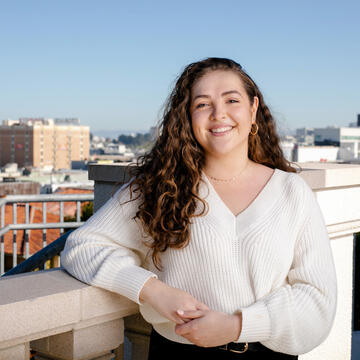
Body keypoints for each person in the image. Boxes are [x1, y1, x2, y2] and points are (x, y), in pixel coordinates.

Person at [60, 57, 337, 359]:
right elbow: (81, 247)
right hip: (178, 352)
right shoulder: (159, 187)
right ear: (187, 117)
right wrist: (152, 290)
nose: (219, 114)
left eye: (232, 100)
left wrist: (237, 326)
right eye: (203, 104)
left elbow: (318, 301)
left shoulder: (291, 192)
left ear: (253, 109)